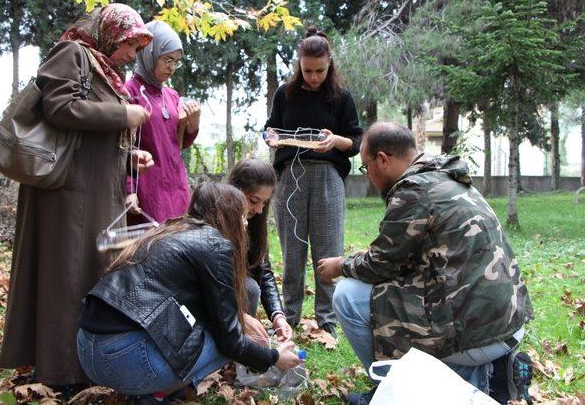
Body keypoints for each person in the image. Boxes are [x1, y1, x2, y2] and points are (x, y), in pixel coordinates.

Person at [317, 122, 534, 404]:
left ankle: (392, 388)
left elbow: (379, 264)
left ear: (382, 159)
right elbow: (404, 259)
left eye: (365, 167)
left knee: (348, 295)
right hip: (507, 324)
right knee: (391, 293)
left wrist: (339, 265)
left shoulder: (413, 191)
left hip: (477, 336)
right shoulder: (448, 176)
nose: (368, 175)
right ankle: (492, 373)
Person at [0, 4, 153, 390]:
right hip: (67, 195)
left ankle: (82, 362)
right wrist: (125, 116)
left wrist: (128, 154)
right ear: (111, 34)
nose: (132, 56)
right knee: (65, 279)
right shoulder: (73, 54)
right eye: (130, 46)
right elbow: (60, 108)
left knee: (85, 276)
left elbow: (87, 133)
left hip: (94, 191)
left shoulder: (102, 67)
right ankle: (61, 370)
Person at [76, 183, 303, 401]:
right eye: (242, 216)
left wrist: (239, 319)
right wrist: (273, 358)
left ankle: (155, 389)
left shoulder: (170, 229)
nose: (245, 225)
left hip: (86, 350)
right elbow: (230, 342)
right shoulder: (216, 245)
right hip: (126, 360)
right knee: (227, 340)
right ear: (228, 216)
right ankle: (157, 393)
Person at [263, 26, 363, 337]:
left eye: (320, 70)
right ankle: (289, 318)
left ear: (330, 64)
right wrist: (271, 137)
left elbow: (357, 141)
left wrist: (336, 141)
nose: (314, 77)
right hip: (290, 176)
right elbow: (270, 128)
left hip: (327, 177)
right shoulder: (285, 93)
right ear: (299, 65)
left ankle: (327, 322)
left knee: (327, 250)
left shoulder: (341, 97)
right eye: (307, 70)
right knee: (292, 252)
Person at [125, 20, 201, 225]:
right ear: (149, 53)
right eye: (167, 59)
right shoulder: (129, 92)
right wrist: (129, 190)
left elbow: (177, 143)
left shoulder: (172, 95)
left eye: (176, 61)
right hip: (148, 191)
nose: (172, 67)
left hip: (176, 187)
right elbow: (123, 148)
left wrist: (193, 126)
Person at [227, 158, 293, 343]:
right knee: (248, 288)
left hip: (235, 293)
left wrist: (277, 315)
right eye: (253, 201)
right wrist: (238, 314)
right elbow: (208, 285)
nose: (258, 210)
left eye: (264, 203)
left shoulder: (255, 222)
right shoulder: (213, 224)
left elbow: (263, 271)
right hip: (210, 299)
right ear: (234, 191)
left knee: (250, 287)